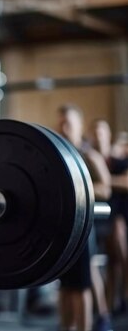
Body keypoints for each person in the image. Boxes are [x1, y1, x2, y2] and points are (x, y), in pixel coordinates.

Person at [56, 105, 112, 331]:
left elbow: (106, 188)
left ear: (79, 125)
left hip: (84, 228)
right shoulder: (59, 153)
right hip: (63, 229)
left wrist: (79, 187)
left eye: (68, 122)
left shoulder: (89, 155)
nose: (63, 127)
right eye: (60, 123)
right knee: (64, 286)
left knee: (81, 286)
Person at [90, 119, 128, 314]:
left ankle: (121, 298)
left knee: (118, 256)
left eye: (101, 132)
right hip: (98, 218)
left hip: (119, 215)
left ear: (108, 134)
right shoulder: (88, 159)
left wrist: (105, 180)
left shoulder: (119, 161)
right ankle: (110, 305)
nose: (98, 135)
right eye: (95, 132)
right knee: (108, 263)